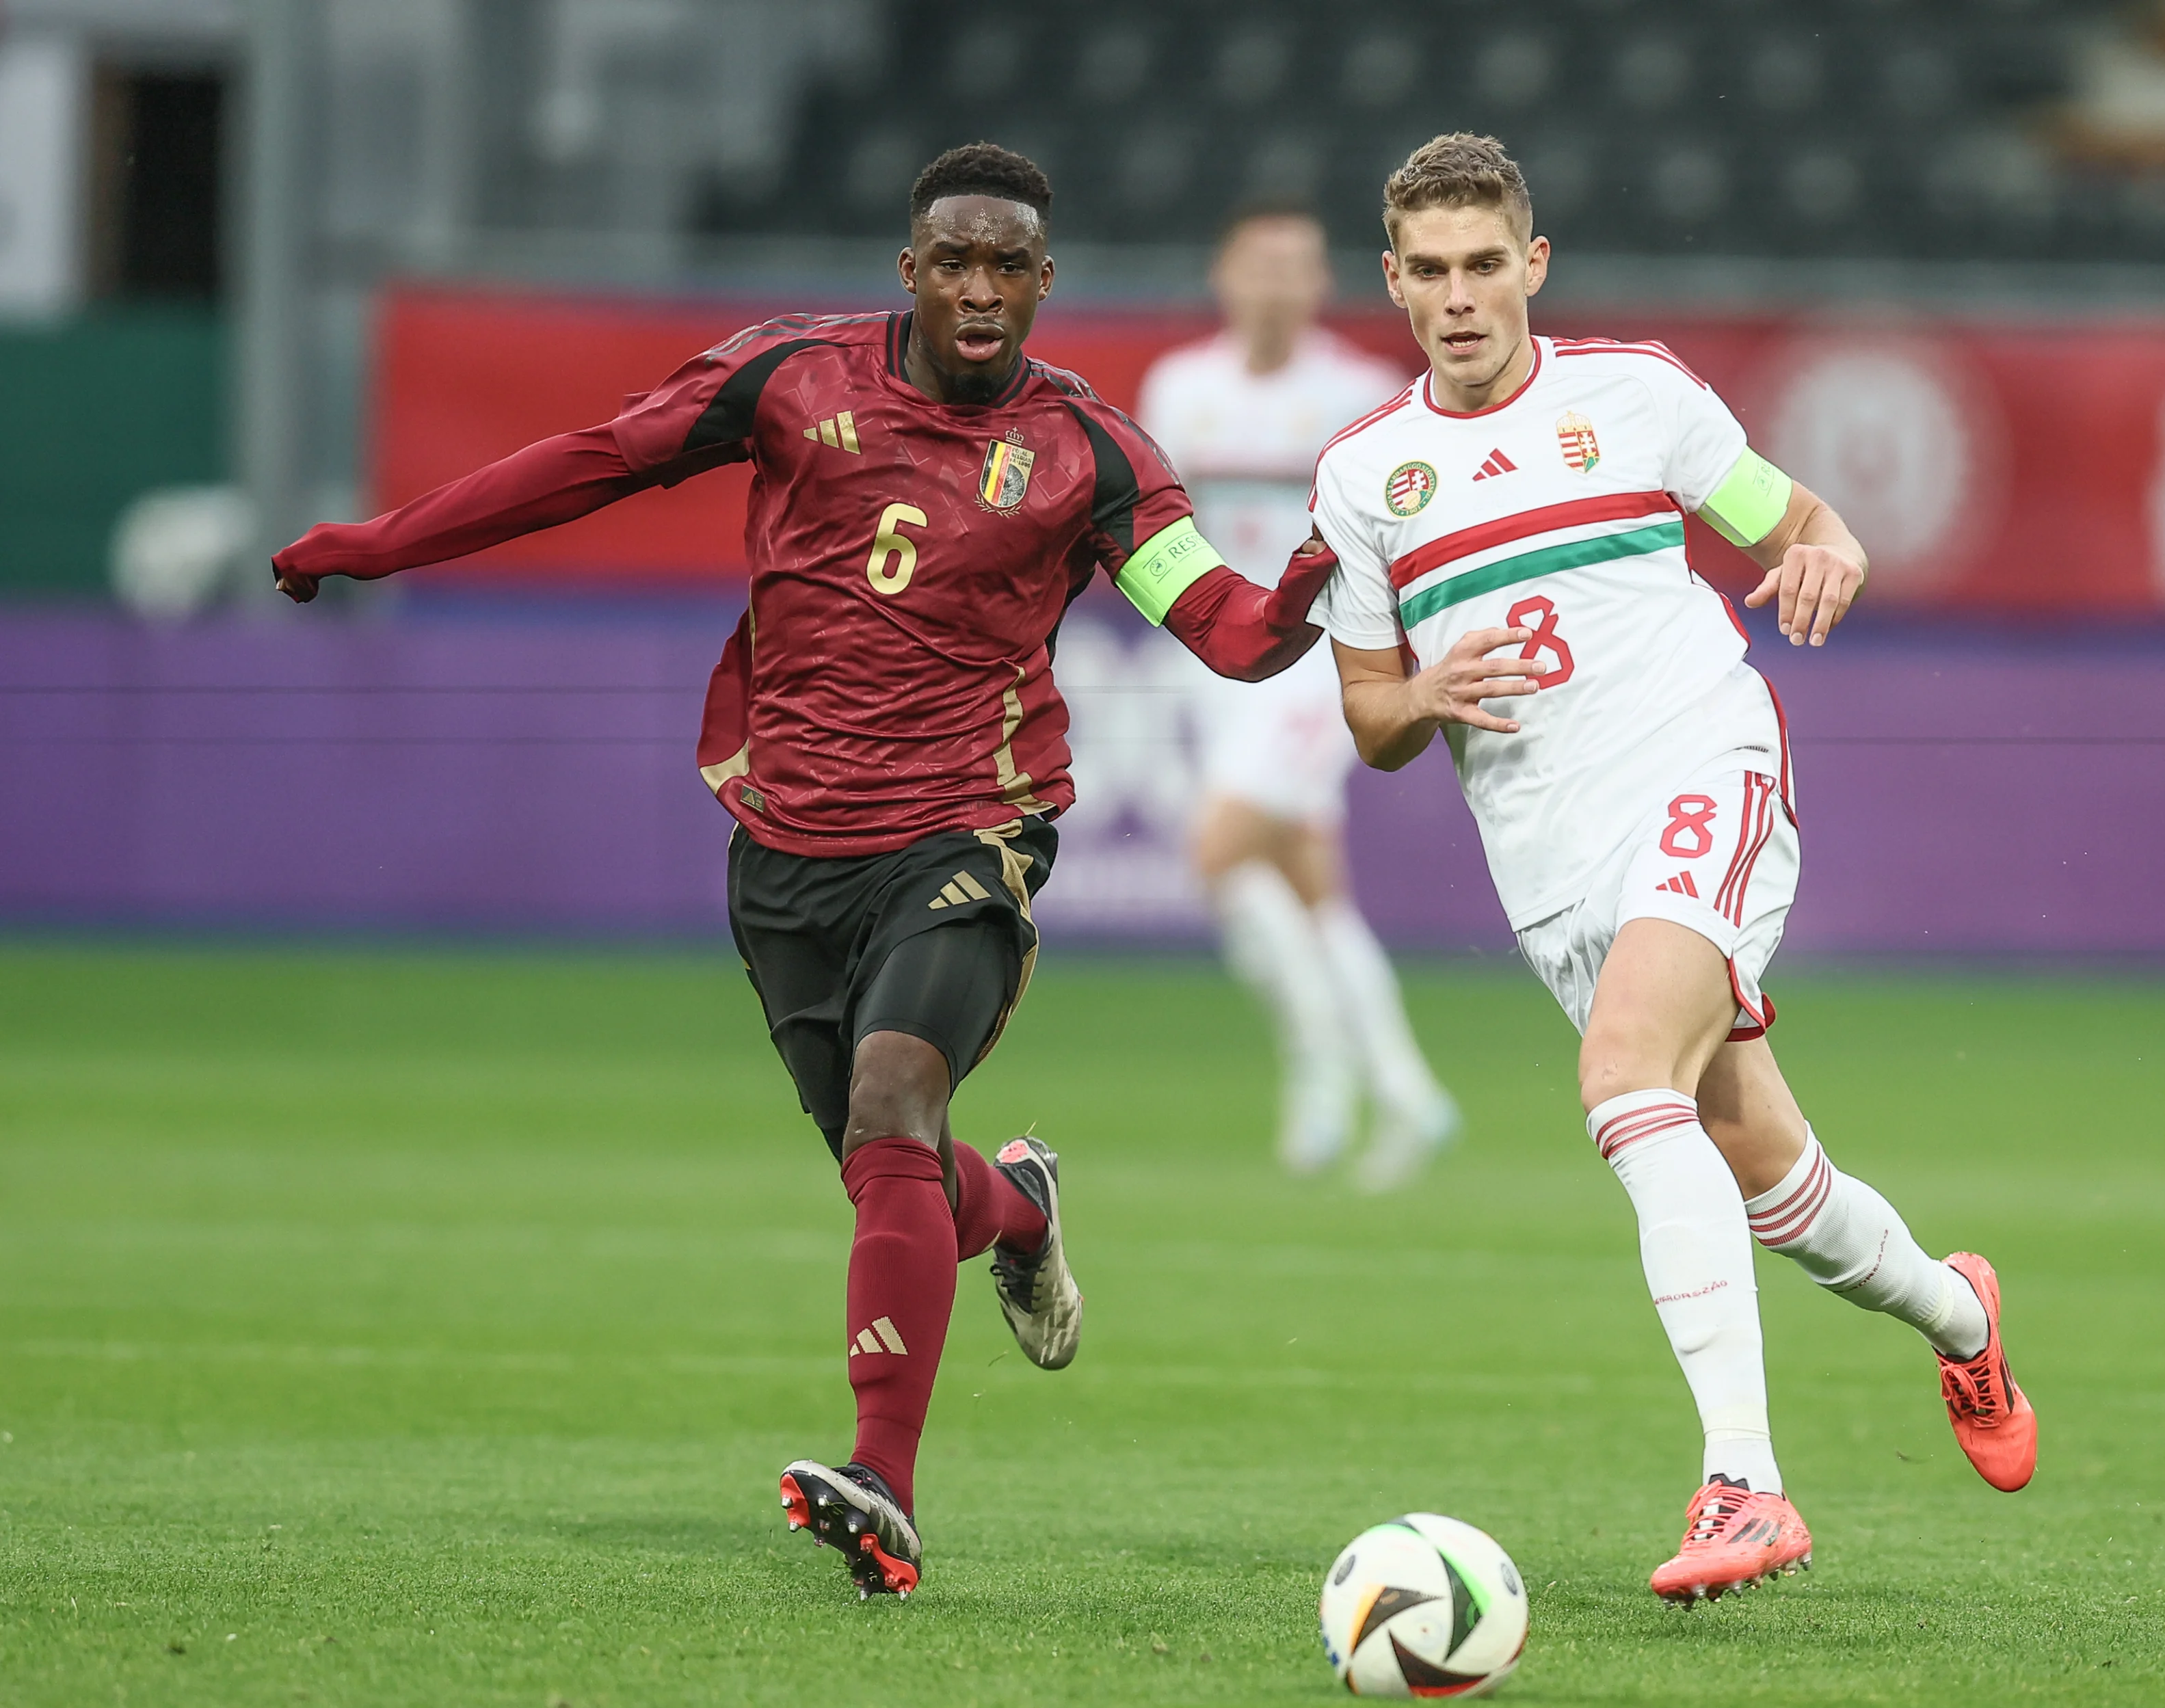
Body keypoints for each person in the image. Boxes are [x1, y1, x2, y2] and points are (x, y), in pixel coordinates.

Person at [269, 144, 1341, 1601]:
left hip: (971, 827)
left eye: (1005, 265)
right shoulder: (787, 377)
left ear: (1042, 282)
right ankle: (1015, 1208)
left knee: (899, 1097)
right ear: (911, 271)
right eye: (951, 261)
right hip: (787, 844)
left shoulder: (1091, 453)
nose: (977, 288)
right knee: (887, 1171)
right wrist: (384, 544)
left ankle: (882, 1483)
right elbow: (592, 461)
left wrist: (1294, 600)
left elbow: (1212, 618)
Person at [1307, 135, 2038, 1603]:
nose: (1460, 298)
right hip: (1555, 867)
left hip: (1705, 766)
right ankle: (1961, 1315)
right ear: (1393, 283)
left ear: (1535, 264)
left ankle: (1745, 1486)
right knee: (1773, 1179)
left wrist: (1832, 551)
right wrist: (1428, 692)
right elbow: (1371, 716)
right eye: (1430, 272)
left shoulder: (1635, 396)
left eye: (1484, 264)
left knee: (1624, 1074)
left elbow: (1807, 524)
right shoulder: (1365, 478)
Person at [1138, 204, 1458, 1189]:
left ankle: (1320, 1071)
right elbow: (1155, 521)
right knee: (1306, 882)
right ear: (1224, 274)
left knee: (1217, 848)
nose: (1277, 283)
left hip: (1316, 658)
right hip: (1218, 663)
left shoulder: (1360, 393)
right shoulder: (1178, 386)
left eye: (1297, 267)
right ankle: (1408, 1092)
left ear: (1325, 284)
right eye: (1259, 264)